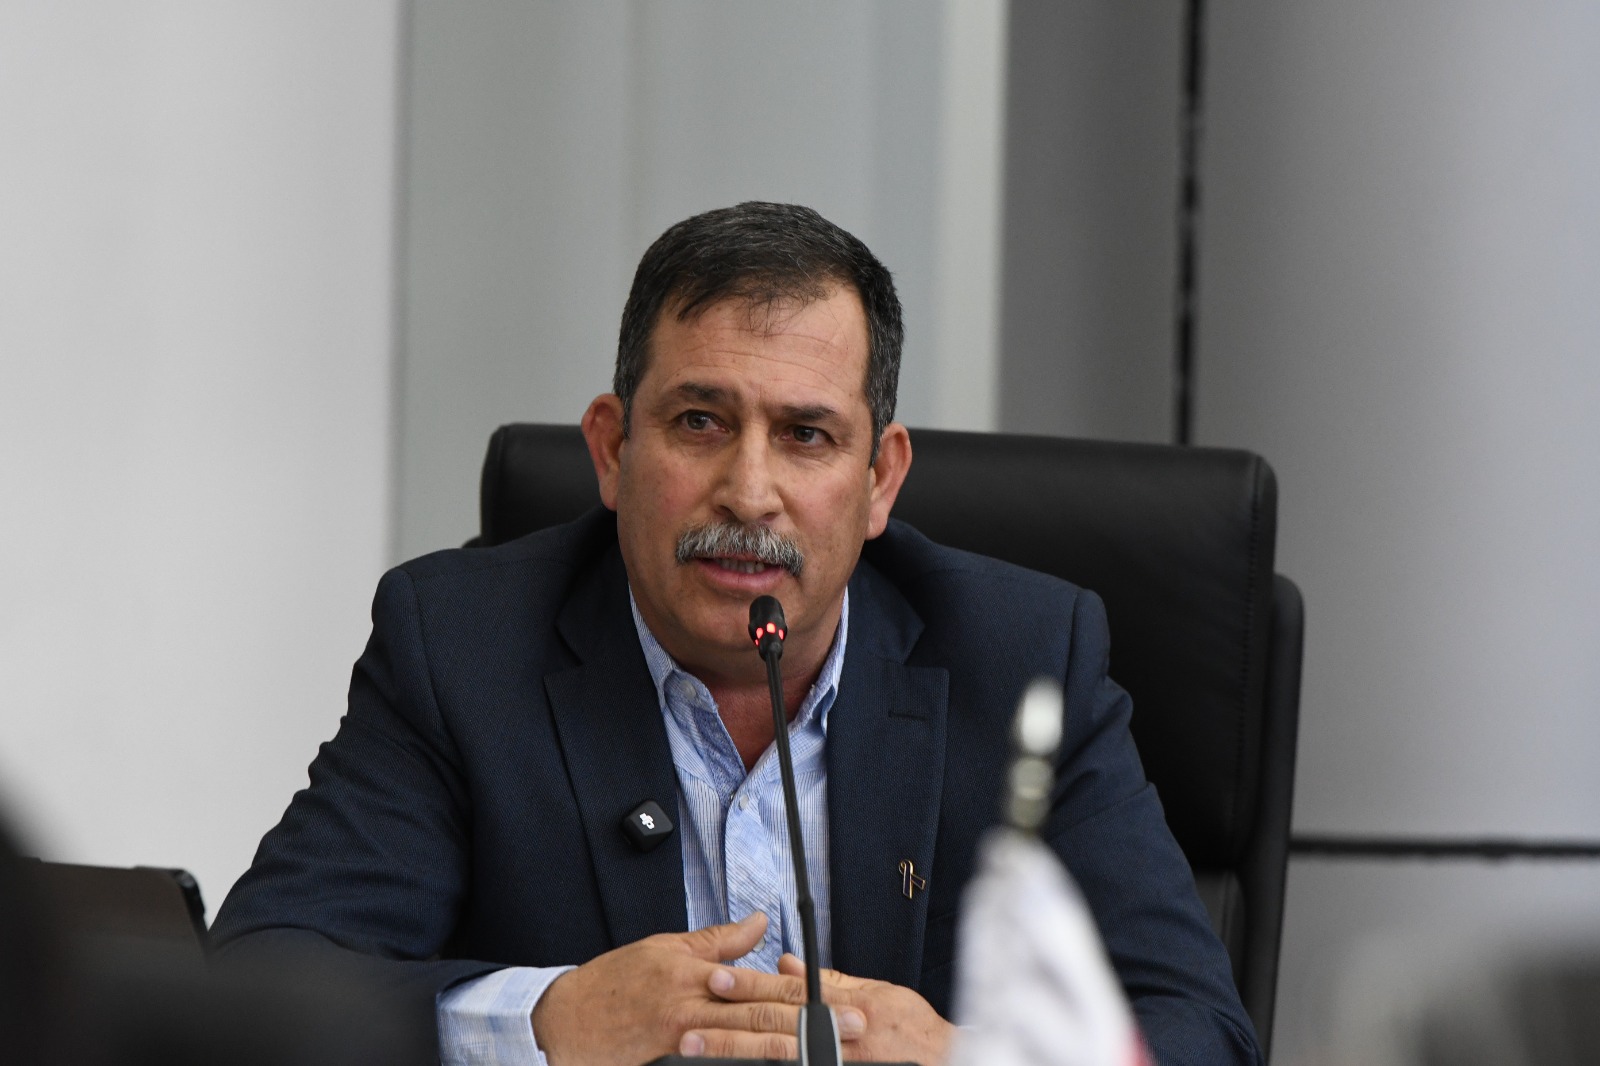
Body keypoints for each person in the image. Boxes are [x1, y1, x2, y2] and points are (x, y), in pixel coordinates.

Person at [212, 202, 1260, 1065]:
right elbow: (259, 989)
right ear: (612, 450)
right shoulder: (462, 647)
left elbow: (1200, 1034)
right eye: (700, 422)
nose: (749, 491)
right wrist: (546, 1021)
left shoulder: (1024, 657)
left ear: (879, 479)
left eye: (806, 435)